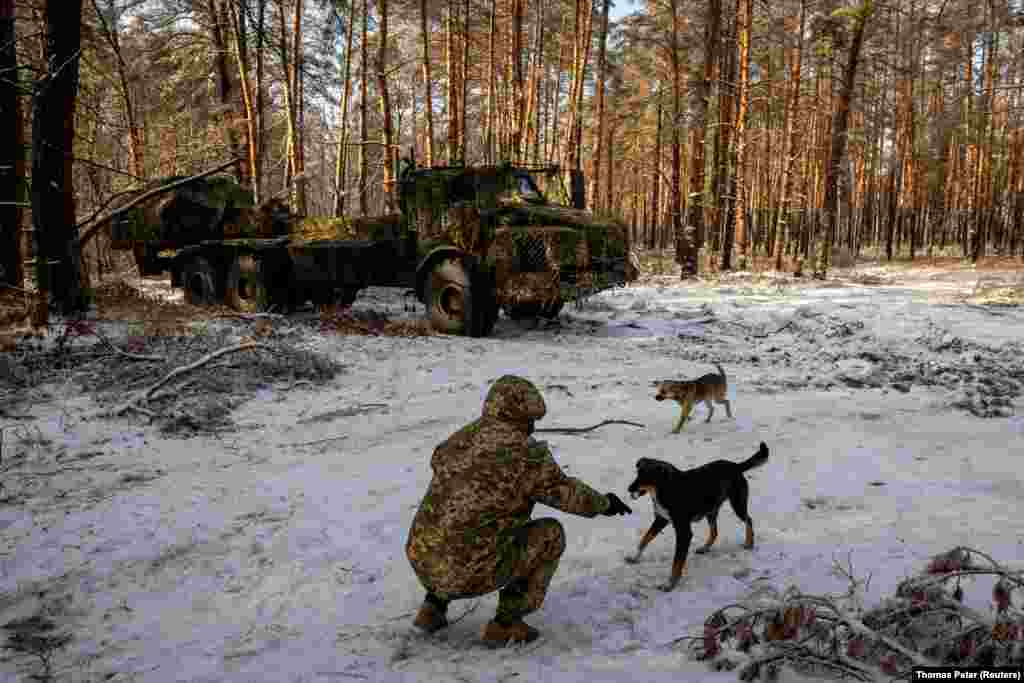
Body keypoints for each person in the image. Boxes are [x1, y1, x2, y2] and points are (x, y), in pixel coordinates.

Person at [405, 375, 633, 646]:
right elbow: (567, 495)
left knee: (457, 524)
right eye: (532, 420)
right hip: (466, 572)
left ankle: (432, 609)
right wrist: (604, 503)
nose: (533, 427)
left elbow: (443, 469)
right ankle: (506, 624)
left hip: (421, 558)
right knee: (550, 534)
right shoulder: (525, 454)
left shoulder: (461, 437)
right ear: (523, 416)